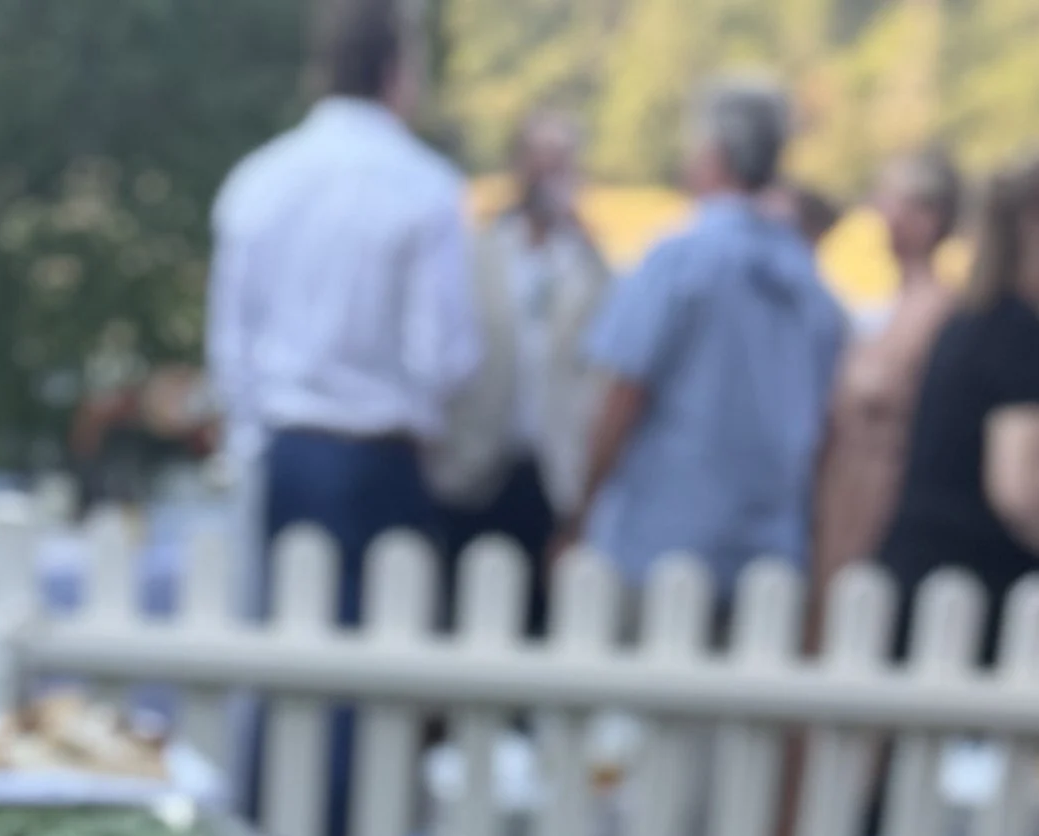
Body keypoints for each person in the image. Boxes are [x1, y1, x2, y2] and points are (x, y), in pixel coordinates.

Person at [207, 0, 480, 616]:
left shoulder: (261, 178)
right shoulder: (426, 186)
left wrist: (251, 438)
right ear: (397, 68)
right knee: (373, 666)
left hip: (287, 451)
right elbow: (444, 353)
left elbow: (230, 346)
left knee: (284, 653)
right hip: (383, 456)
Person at [576, 76, 845, 606]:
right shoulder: (810, 284)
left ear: (713, 153)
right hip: (765, 562)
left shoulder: (680, 258)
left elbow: (622, 395)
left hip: (657, 550)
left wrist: (581, 509)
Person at [878, 155, 1039, 632]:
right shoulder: (1024, 337)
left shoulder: (966, 323)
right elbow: (1024, 489)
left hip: (921, 583)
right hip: (975, 600)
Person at [424, 108, 609, 602]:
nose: (548, 173)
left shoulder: (593, 268)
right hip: (478, 468)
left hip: (554, 477)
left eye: (560, 160)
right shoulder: (475, 252)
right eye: (538, 159)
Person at [816, 146, 962, 583]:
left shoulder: (939, 313)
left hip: (878, 513)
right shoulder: (885, 308)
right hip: (839, 508)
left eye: (896, 202)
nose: (883, 215)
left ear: (929, 217)